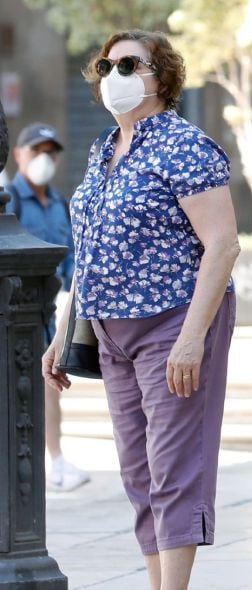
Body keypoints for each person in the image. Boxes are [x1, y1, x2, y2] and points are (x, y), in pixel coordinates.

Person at [42, 30, 240, 590]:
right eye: (107, 65)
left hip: (175, 319)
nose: (115, 76)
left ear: (163, 76)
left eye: (131, 65)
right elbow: (92, 248)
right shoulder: (103, 148)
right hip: (110, 329)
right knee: (137, 469)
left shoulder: (185, 145)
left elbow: (223, 245)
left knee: (175, 466)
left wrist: (191, 338)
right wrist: (64, 332)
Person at [8, 123, 89, 492]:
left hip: (51, 310)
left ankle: (55, 460)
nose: (45, 158)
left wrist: (70, 291)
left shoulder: (59, 203)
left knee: (49, 382)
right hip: (14, 310)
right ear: (18, 154)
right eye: (37, 150)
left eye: (51, 152)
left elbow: (73, 253)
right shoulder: (8, 199)